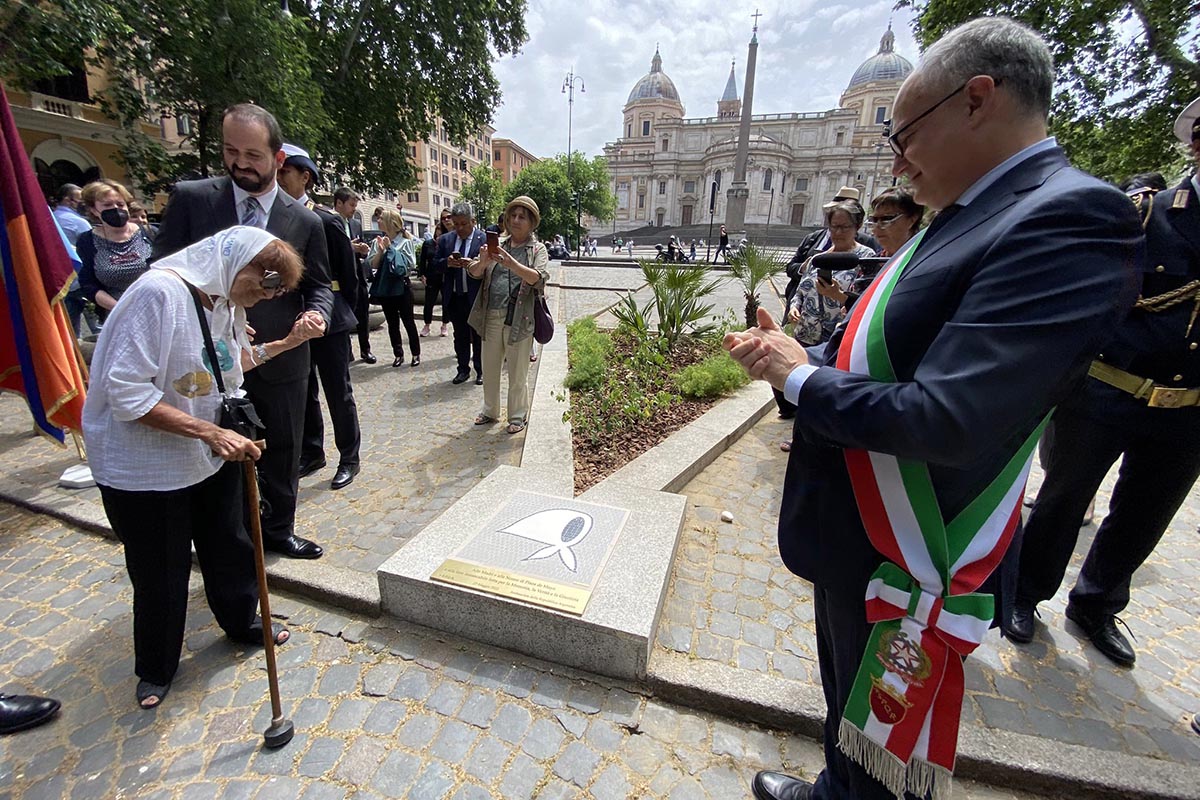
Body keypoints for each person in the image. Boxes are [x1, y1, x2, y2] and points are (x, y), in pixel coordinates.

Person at [725, 17, 1142, 800]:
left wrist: (802, 383)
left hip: (917, 538)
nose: (896, 154)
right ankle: (837, 788)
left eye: (905, 130)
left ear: (976, 99)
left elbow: (950, 416)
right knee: (850, 696)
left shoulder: (1067, 216)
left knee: (888, 719)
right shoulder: (963, 214)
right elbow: (877, 351)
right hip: (861, 527)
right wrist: (800, 360)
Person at [83, 226, 318, 709]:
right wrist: (210, 433)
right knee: (160, 570)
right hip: (147, 468)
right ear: (237, 262)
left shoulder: (224, 302)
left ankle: (241, 621)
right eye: (265, 283)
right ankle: (155, 667)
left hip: (209, 456)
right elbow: (126, 392)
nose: (265, 296)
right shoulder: (158, 295)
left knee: (229, 544)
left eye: (275, 290)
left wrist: (287, 343)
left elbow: (227, 369)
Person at [1006, 96, 1200, 668]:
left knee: (1145, 513)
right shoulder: (1145, 212)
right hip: (1107, 387)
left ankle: (1096, 603)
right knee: (1064, 499)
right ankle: (1024, 592)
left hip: (1189, 404)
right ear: (1196, 143)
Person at [152, 102, 333, 561]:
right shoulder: (194, 199)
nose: (239, 164)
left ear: (277, 160)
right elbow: (165, 271)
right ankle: (225, 541)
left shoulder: (306, 221)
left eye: (252, 155)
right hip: (207, 356)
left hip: (283, 355)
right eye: (231, 151)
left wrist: (316, 315)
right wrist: (212, 314)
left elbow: (318, 287)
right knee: (218, 447)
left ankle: (277, 530)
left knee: (283, 446)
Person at [276, 145, 365, 492]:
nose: (278, 179)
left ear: (304, 177)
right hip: (290, 316)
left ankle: (349, 457)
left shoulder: (326, 221)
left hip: (329, 318)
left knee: (336, 390)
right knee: (304, 389)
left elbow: (349, 275)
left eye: (284, 173)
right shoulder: (277, 218)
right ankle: (312, 452)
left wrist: (345, 315)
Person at [467, 196, 550, 434]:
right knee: (490, 367)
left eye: (522, 216)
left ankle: (517, 415)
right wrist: (482, 262)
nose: (515, 220)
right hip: (492, 314)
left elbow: (539, 278)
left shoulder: (537, 249)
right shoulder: (497, 244)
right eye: (512, 215)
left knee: (517, 371)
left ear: (532, 222)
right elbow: (473, 272)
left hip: (520, 319)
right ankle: (490, 410)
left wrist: (512, 263)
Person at [77, 179, 154, 323]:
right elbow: (88, 284)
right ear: (94, 210)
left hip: (156, 309)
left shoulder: (151, 233)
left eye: (120, 204)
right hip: (118, 316)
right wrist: (121, 308)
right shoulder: (87, 241)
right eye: (107, 205)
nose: (116, 209)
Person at [435, 202, 485, 384]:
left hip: (476, 297)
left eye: (464, 224)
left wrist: (474, 264)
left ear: (473, 221)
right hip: (455, 297)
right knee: (460, 335)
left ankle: (481, 370)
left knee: (478, 336)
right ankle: (463, 369)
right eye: (456, 224)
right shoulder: (446, 240)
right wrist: (447, 263)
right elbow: (435, 265)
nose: (460, 228)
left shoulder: (483, 239)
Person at [367, 208, 421, 368]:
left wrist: (391, 249)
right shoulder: (377, 242)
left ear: (390, 222)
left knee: (408, 321)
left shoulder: (406, 242)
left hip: (402, 288)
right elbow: (373, 265)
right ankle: (398, 354)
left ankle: (415, 353)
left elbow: (409, 265)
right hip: (386, 289)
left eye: (382, 218)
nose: (379, 220)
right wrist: (381, 251)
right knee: (392, 323)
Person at [332, 187, 375, 363]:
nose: (354, 209)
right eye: (351, 205)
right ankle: (347, 351)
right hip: (338, 280)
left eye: (356, 205)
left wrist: (363, 250)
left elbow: (361, 248)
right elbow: (331, 250)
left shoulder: (355, 224)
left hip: (358, 277)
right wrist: (350, 247)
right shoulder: (329, 223)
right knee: (343, 318)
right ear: (339, 203)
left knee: (363, 315)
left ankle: (366, 350)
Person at [52, 183, 95, 337]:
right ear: (67, 200)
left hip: (60, 282)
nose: (83, 204)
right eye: (80, 200)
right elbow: (92, 250)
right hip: (81, 281)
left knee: (69, 330)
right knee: (100, 327)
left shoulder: (50, 218)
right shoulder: (79, 222)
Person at [420, 210, 453, 337]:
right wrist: (422, 274)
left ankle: (444, 325)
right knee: (429, 302)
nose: (439, 231)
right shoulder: (428, 244)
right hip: (432, 276)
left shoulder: (446, 241)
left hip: (444, 276)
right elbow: (422, 260)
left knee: (446, 302)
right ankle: (427, 325)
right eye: (438, 228)